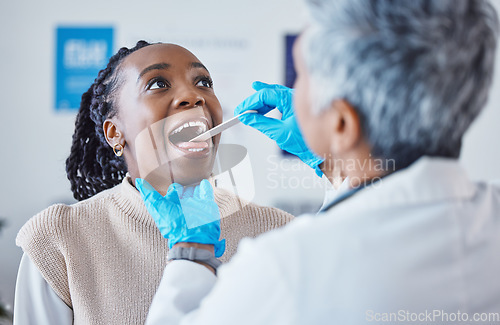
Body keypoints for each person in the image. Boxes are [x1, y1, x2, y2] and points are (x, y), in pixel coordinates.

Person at [140, 0, 500, 324]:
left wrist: (190, 257)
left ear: (342, 122)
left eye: (303, 77)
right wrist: (338, 165)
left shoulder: (288, 269)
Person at [13, 41, 294, 325]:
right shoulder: (57, 240)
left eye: (204, 82)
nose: (193, 96)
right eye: (158, 83)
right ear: (114, 133)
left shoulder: (279, 233)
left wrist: (333, 162)